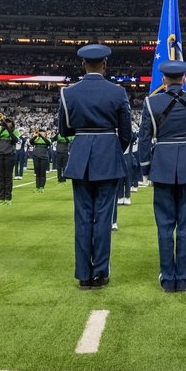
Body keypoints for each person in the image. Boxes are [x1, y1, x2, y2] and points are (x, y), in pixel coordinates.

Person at [58, 44, 132, 290]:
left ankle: (83, 275)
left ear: (82, 65)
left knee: (82, 218)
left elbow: (65, 130)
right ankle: (100, 273)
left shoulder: (68, 93)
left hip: (80, 155)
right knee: (103, 217)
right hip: (107, 153)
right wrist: (112, 149)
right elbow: (126, 134)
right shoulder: (118, 92)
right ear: (105, 65)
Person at [139, 60, 186, 293]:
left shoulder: (152, 102)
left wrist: (145, 169)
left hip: (163, 163)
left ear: (163, 80)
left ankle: (168, 276)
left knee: (165, 224)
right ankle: (184, 274)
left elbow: (145, 139)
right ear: (184, 79)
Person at [0, 116, 19, 205]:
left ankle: (8, 198)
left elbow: (15, 139)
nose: (7, 123)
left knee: (8, 177)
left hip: (9, 155)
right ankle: (1, 198)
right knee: (0, 177)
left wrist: (7, 128)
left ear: (12, 124)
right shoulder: (0, 130)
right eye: (6, 122)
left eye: (9, 122)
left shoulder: (15, 131)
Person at [29, 128, 52, 192]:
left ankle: (42, 187)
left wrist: (42, 137)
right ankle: (37, 187)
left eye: (42, 133)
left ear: (45, 134)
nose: (41, 134)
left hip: (44, 158)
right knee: (37, 173)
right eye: (40, 133)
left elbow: (49, 143)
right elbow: (31, 142)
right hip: (36, 157)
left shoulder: (47, 140)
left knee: (42, 173)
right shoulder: (36, 140)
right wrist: (36, 136)